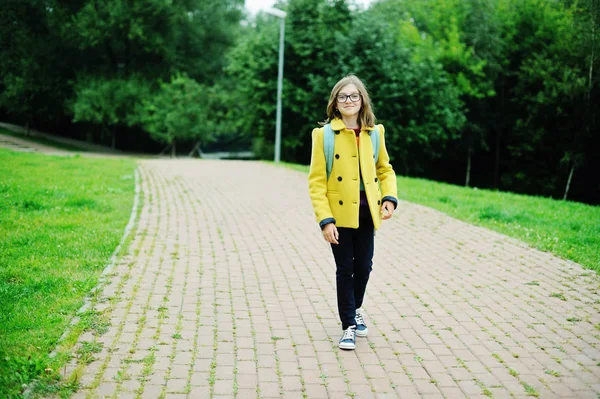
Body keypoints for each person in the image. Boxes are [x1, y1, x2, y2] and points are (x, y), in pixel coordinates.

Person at [308, 75, 398, 350]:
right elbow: (316, 181)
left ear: (362, 101)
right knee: (345, 268)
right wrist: (325, 220)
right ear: (335, 103)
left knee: (364, 266)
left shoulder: (375, 133)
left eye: (354, 96)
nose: (349, 101)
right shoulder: (323, 135)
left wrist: (389, 198)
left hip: (367, 211)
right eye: (343, 97)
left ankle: (355, 308)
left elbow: (385, 169)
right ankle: (348, 324)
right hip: (338, 214)